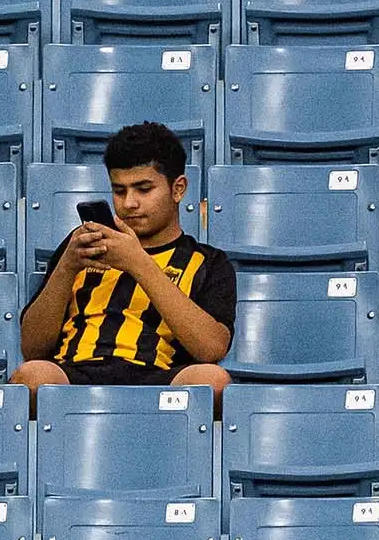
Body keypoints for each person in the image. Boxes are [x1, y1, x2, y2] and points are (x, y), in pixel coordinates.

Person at [13, 122, 235, 408]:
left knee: (213, 380)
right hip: (76, 374)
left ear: (178, 189)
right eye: (119, 191)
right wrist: (67, 267)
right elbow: (32, 348)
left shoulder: (208, 261)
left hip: (158, 379)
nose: (130, 203)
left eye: (144, 189)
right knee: (31, 376)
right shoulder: (81, 246)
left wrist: (138, 263)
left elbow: (211, 348)